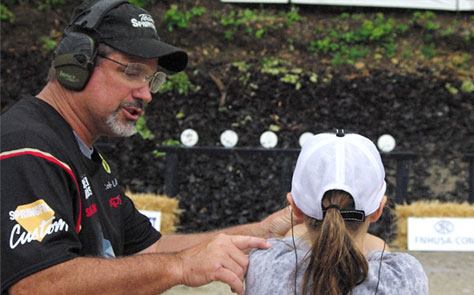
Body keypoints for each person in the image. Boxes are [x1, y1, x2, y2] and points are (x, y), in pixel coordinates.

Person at [0, 1, 297, 294]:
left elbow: (150, 250)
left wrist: (261, 232)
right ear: (77, 63)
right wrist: (180, 266)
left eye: (151, 79)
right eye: (132, 72)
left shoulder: (83, 155)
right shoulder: (26, 149)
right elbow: (36, 284)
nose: (146, 94)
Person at [245, 131, 429, 295]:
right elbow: (377, 251)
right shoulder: (404, 277)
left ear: (295, 208)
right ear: (378, 210)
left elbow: (295, 240)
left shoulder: (264, 265)